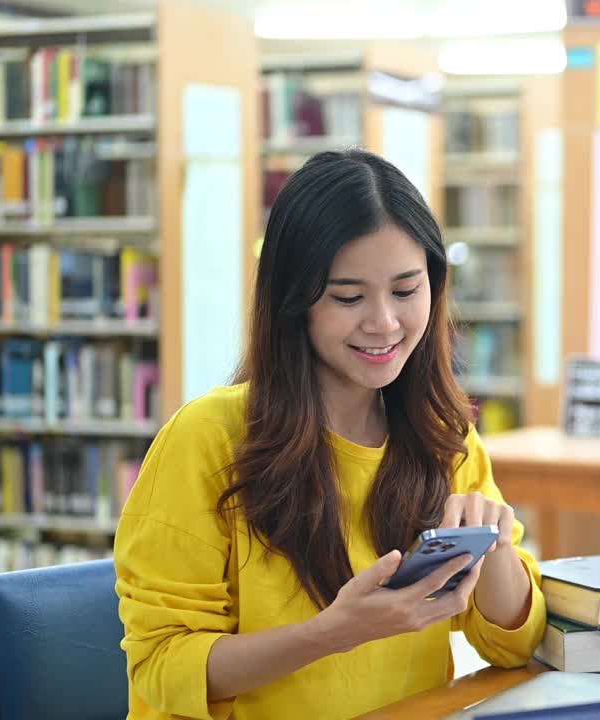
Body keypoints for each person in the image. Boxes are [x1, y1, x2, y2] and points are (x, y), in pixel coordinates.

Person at [114, 149, 546, 719]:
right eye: (347, 297)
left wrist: (493, 551)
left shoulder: (442, 437)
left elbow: (515, 644)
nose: (384, 323)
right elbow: (163, 668)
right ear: (294, 303)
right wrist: (332, 633)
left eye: (406, 290)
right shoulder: (208, 439)